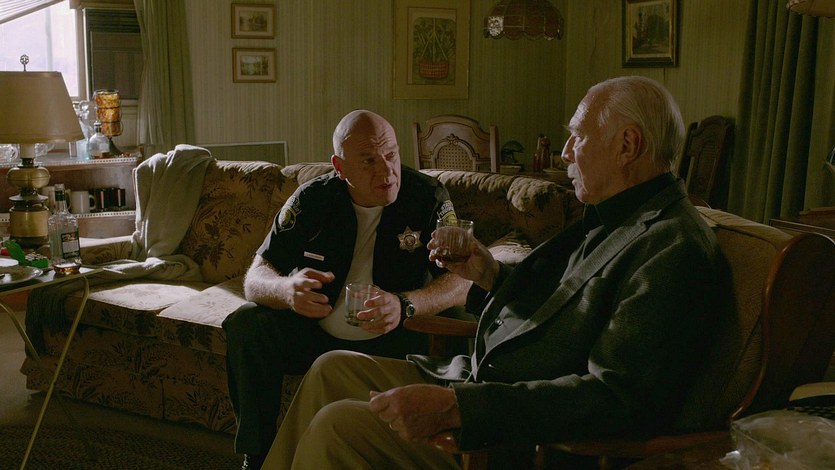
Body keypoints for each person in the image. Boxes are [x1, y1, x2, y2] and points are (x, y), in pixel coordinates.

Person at [261, 76, 732, 469]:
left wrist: (460, 408)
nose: (565, 153)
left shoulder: (672, 248)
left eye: (578, 136)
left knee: (338, 425)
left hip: (514, 434)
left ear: (627, 145)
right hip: (480, 381)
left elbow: (616, 399)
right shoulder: (614, 218)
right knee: (330, 370)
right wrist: (490, 275)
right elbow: (557, 309)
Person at [222, 109, 471, 469]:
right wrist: (287, 290)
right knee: (247, 323)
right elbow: (256, 276)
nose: (387, 171)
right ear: (339, 167)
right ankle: (256, 456)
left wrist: (405, 304)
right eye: (369, 161)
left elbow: (463, 280)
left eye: (391, 154)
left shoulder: (427, 197)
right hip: (316, 332)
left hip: (394, 338)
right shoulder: (313, 199)